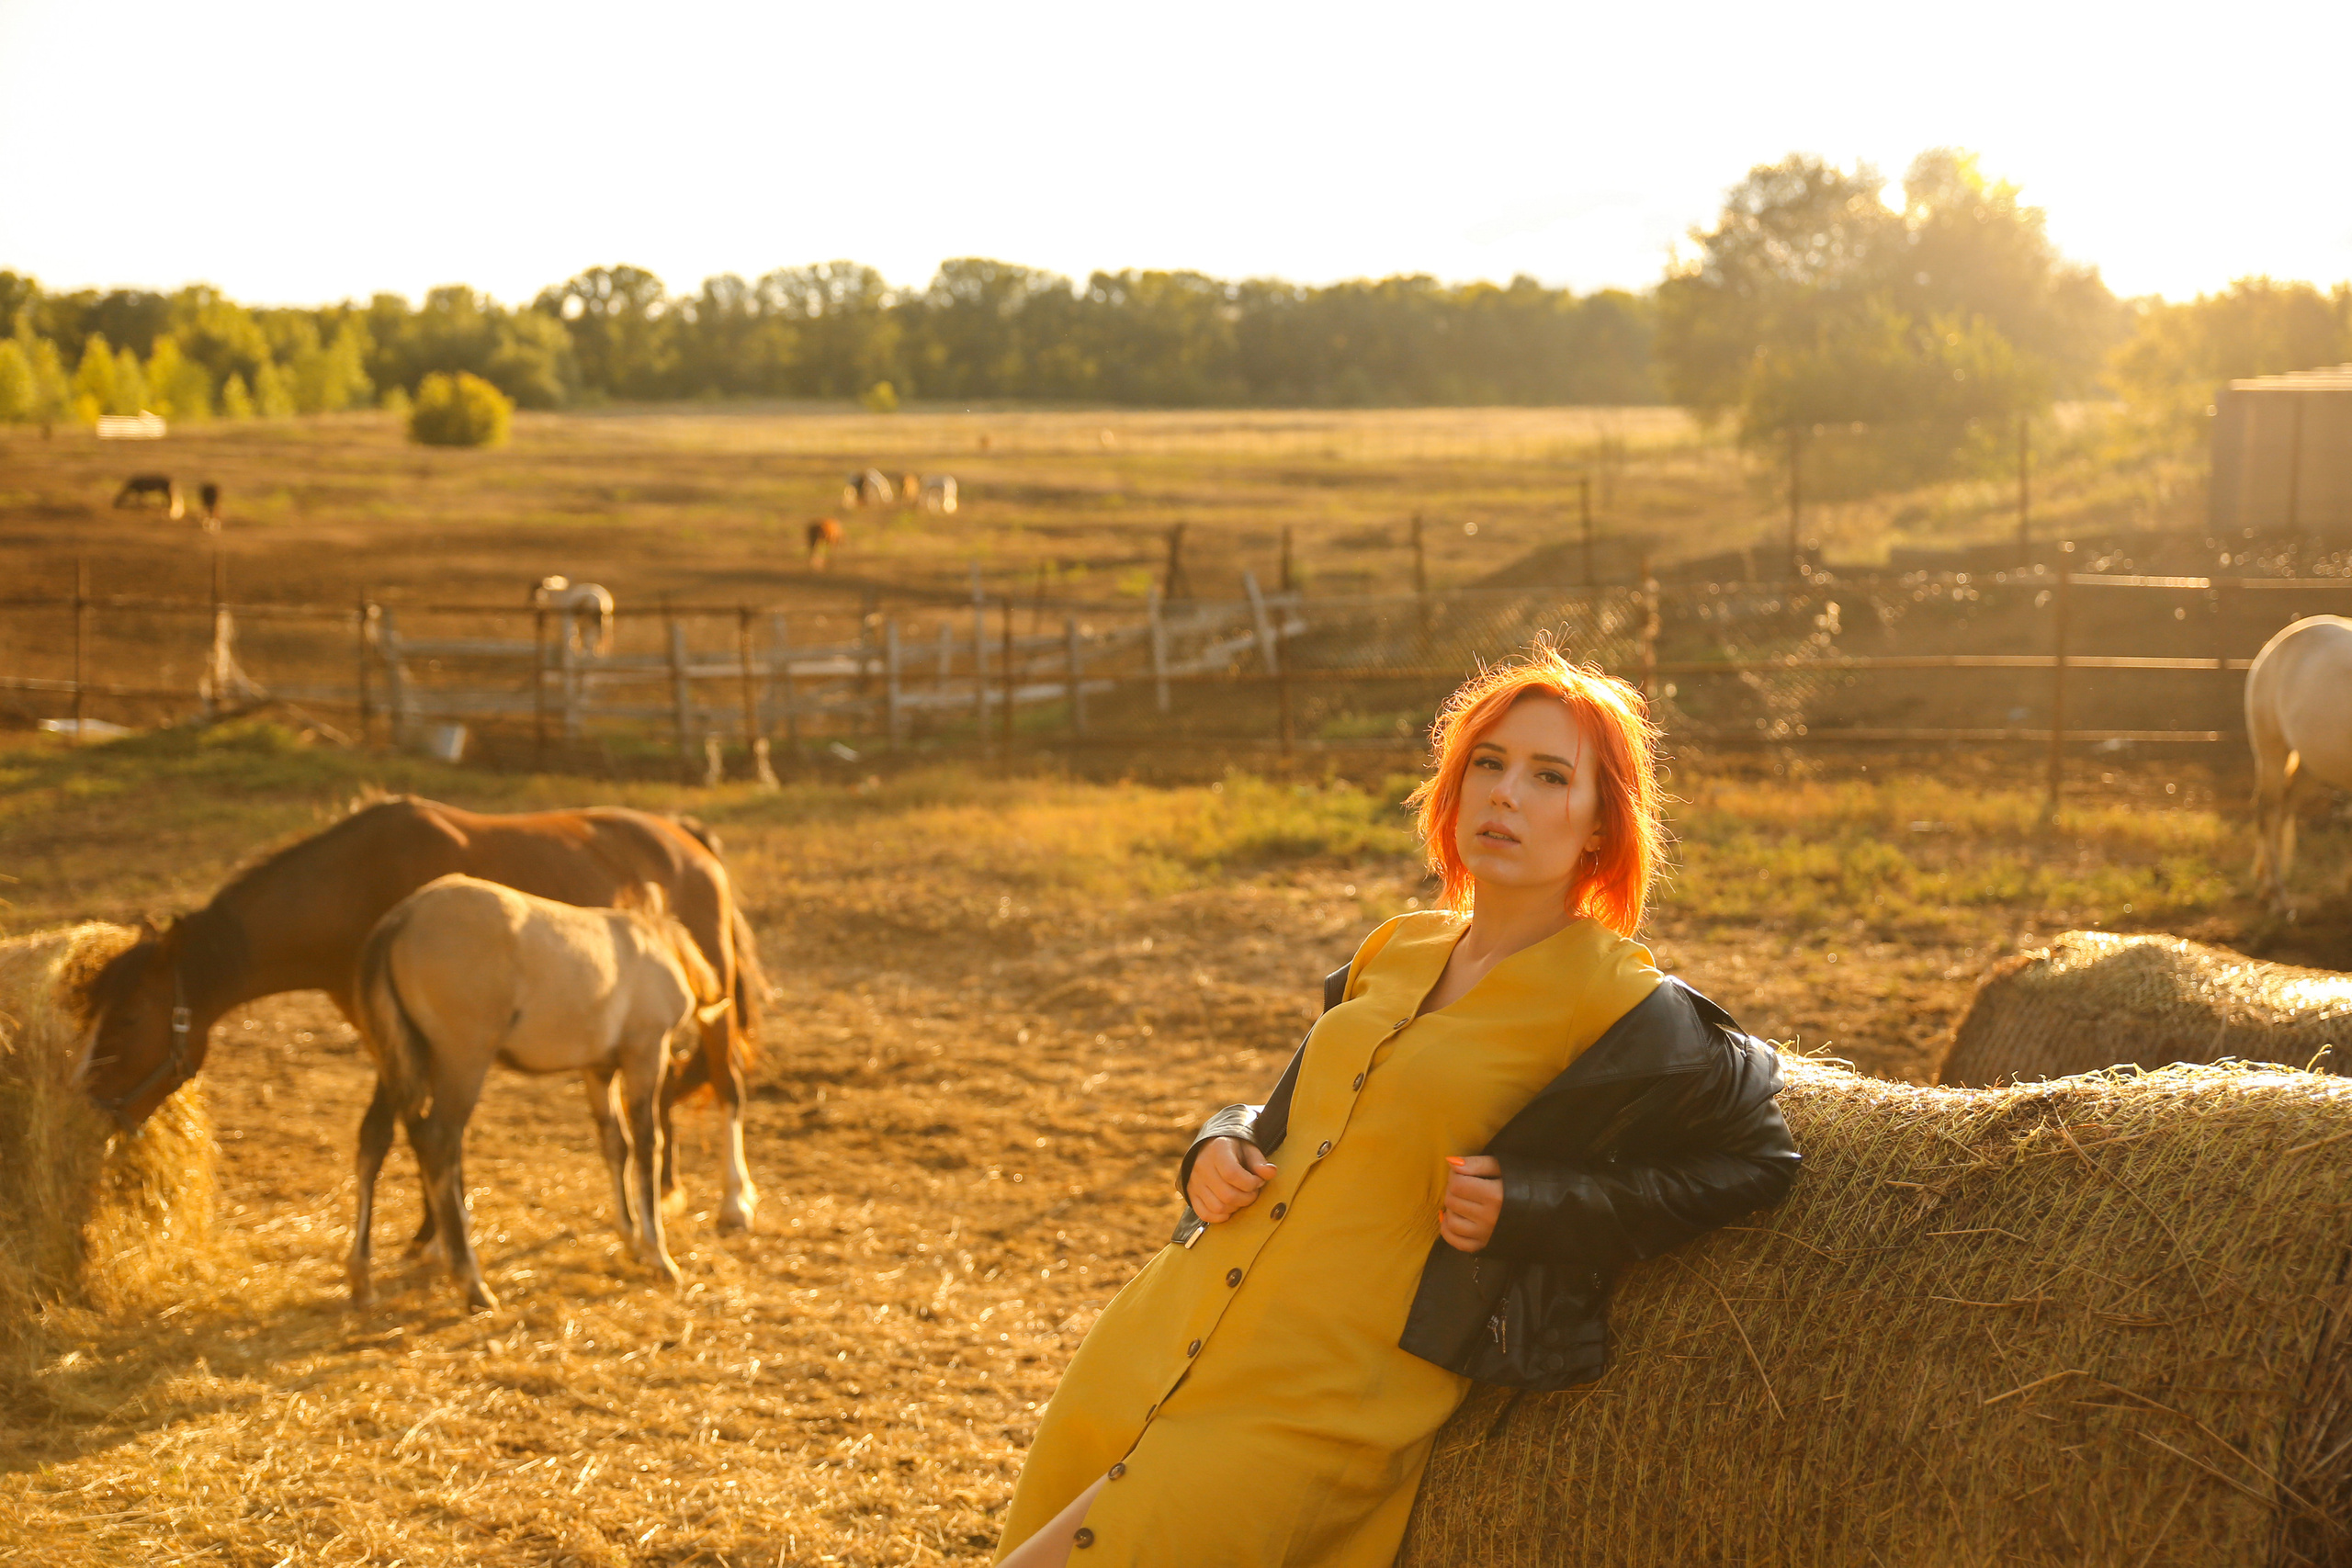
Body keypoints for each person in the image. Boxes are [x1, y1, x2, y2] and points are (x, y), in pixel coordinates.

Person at [993, 645, 1802, 1567]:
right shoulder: (1396, 948)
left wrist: (1536, 1204)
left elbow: (1760, 1158)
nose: (1504, 795)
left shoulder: (1616, 996)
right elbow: (1297, 1121)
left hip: (1322, 1398)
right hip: (1160, 1335)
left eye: (1548, 776)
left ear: (1596, 827)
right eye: (1487, 765)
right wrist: (1217, 1143)